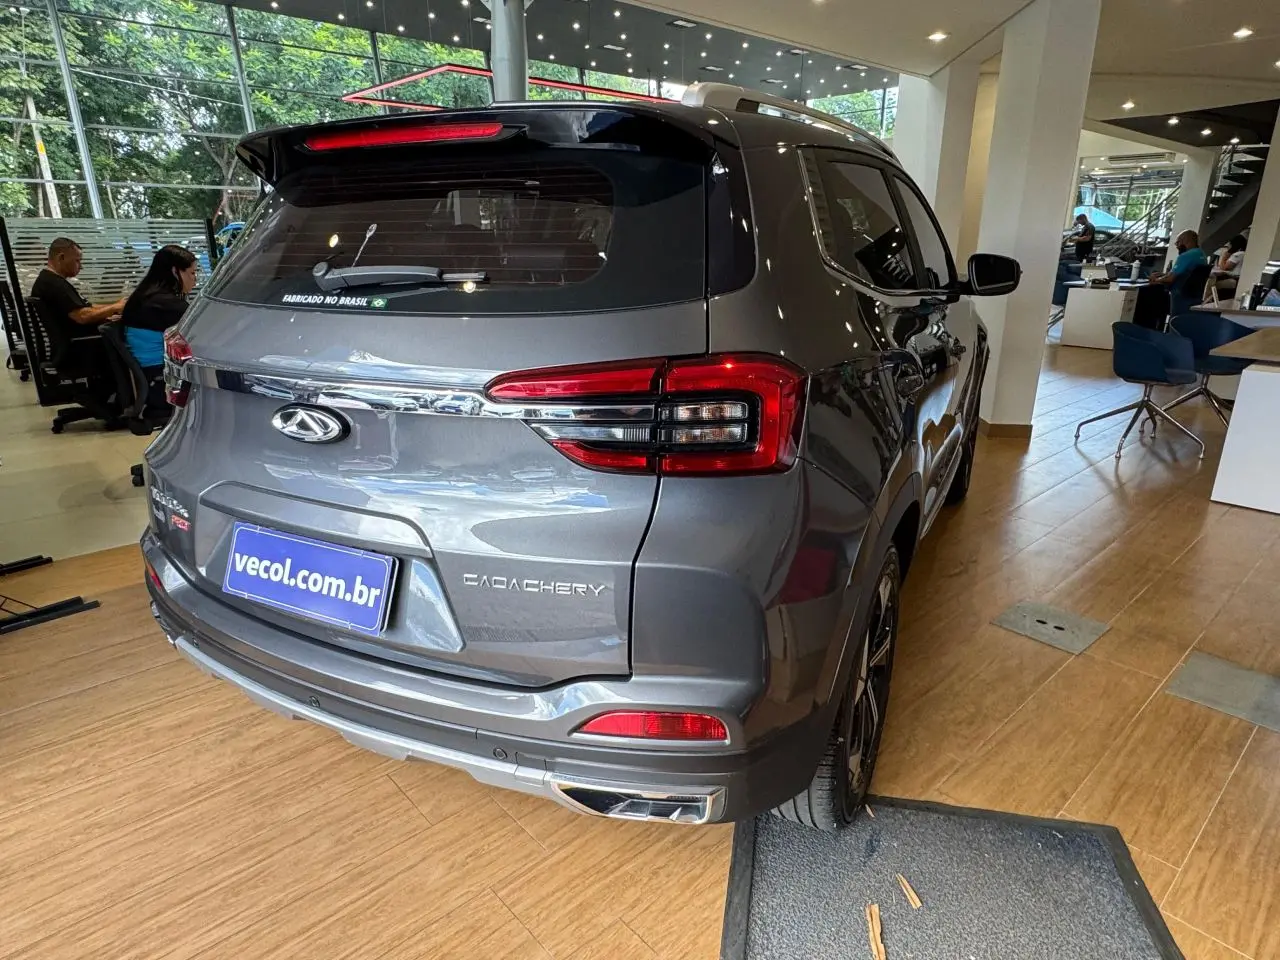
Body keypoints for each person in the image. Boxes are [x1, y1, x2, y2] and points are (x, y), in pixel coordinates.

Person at [29, 238, 125, 409]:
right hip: (81, 349)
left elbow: (85, 308)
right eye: (77, 261)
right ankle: (122, 400)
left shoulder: (51, 280)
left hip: (74, 345)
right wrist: (115, 307)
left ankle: (108, 399)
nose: (81, 266)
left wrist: (114, 308)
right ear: (61, 257)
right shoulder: (54, 284)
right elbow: (82, 316)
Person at [121, 245, 197, 415]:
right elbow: (202, 336)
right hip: (164, 384)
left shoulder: (144, 297)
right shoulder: (168, 305)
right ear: (175, 272)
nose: (195, 280)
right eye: (192, 273)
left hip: (150, 379)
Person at [1148, 229, 1208, 318]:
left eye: (1177, 243)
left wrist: (1156, 280)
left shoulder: (1185, 256)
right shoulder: (1201, 254)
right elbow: (1187, 274)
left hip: (1180, 296)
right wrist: (1163, 275)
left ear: (1185, 241)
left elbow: (1170, 279)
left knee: (1152, 296)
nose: (1177, 246)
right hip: (1195, 296)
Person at [1206, 234, 1247, 302]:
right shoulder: (1243, 254)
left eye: (1230, 245)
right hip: (1235, 278)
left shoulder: (1238, 254)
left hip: (1232, 278)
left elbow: (1224, 267)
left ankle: (1207, 299)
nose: (1228, 246)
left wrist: (1225, 256)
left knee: (1210, 282)